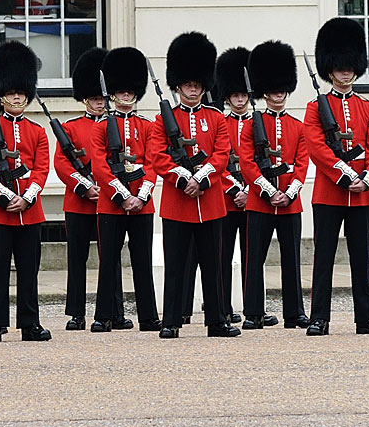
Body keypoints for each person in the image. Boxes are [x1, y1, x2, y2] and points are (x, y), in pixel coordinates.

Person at [302, 17, 369, 336]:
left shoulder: (367, 107)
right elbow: (315, 146)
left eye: (349, 65)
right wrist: (343, 175)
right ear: (330, 68)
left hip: (362, 193)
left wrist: (366, 176)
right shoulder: (316, 107)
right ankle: (319, 317)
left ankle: (366, 317)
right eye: (339, 66)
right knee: (324, 256)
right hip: (329, 193)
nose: (345, 71)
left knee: (361, 258)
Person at [151, 32, 239, 339]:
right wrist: (181, 178)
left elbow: (221, 153)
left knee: (212, 265)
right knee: (176, 266)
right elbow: (157, 156)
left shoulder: (216, 118)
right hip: (177, 203)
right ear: (178, 86)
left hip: (210, 201)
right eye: (188, 84)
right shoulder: (165, 119)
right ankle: (171, 320)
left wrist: (201, 178)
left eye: (197, 84)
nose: (193, 89)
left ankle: (216, 320)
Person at [0, 41, 51, 343]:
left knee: (28, 270)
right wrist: (5, 196)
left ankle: (30, 322)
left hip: (29, 211)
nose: (16, 96)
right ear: (0, 95)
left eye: (20, 91)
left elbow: (41, 169)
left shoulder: (37, 131)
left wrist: (27, 196)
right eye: (10, 92)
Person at [88, 46, 161, 333]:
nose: (126, 95)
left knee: (142, 260)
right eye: (121, 90)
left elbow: (153, 161)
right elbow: (99, 164)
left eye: (130, 91)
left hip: (142, 201)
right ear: (113, 93)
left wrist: (140, 195)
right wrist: (122, 195)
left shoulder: (148, 125)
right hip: (112, 202)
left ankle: (148, 315)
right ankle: (104, 315)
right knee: (108, 262)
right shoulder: (101, 126)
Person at [238, 40, 309, 330]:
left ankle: (294, 313)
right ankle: (253, 312)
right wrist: (269, 191)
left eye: (282, 88)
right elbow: (247, 163)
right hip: (260, 201)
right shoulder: (250, 125)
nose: (278, 93)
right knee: (255, 258)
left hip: (290, 202)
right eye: (273, 88)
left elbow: (302, 163)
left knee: (291, 259)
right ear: (265, 91)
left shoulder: (298, 125)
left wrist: (289, 192)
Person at [53, 47, 125, 331]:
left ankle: (114, 311)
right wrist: (85, 187)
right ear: (84, 98)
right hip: (80, 202)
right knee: (77, 258)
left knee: (111, 258)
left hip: (109, 200)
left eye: (101, 98)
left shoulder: (117, 125)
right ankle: (76, 312)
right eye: (94, 98)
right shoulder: (71, 127)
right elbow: (62, 163)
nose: (99, 103)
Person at [210, 46, 252, 325]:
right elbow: (219, 157)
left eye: (243, 95)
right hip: (226, 199)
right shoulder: (220, 122)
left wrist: (249, 191)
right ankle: (222, 306)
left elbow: (261, 159)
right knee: (222, 257)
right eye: (235, 95)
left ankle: (253, 308)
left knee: (251, 257)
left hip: (254, 197)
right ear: (227, 96)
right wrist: (233, 189)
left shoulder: (258, 122)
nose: (239, 99)